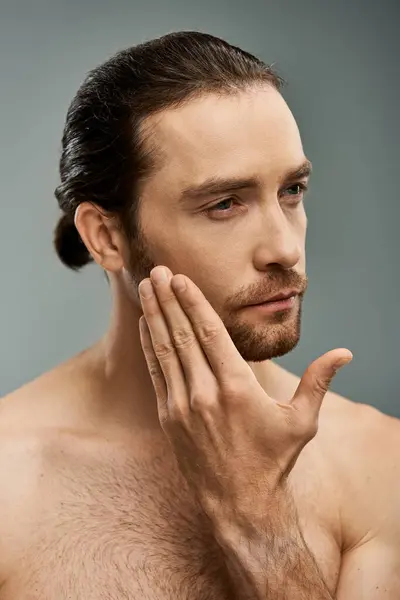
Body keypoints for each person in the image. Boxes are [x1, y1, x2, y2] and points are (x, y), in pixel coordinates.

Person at [0, 30, 399, 600]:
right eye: (224, 204)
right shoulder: (8, 482)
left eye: (291, 190)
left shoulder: (380, 466)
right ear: (107, 237)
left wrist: (260, 519)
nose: (284, 248)